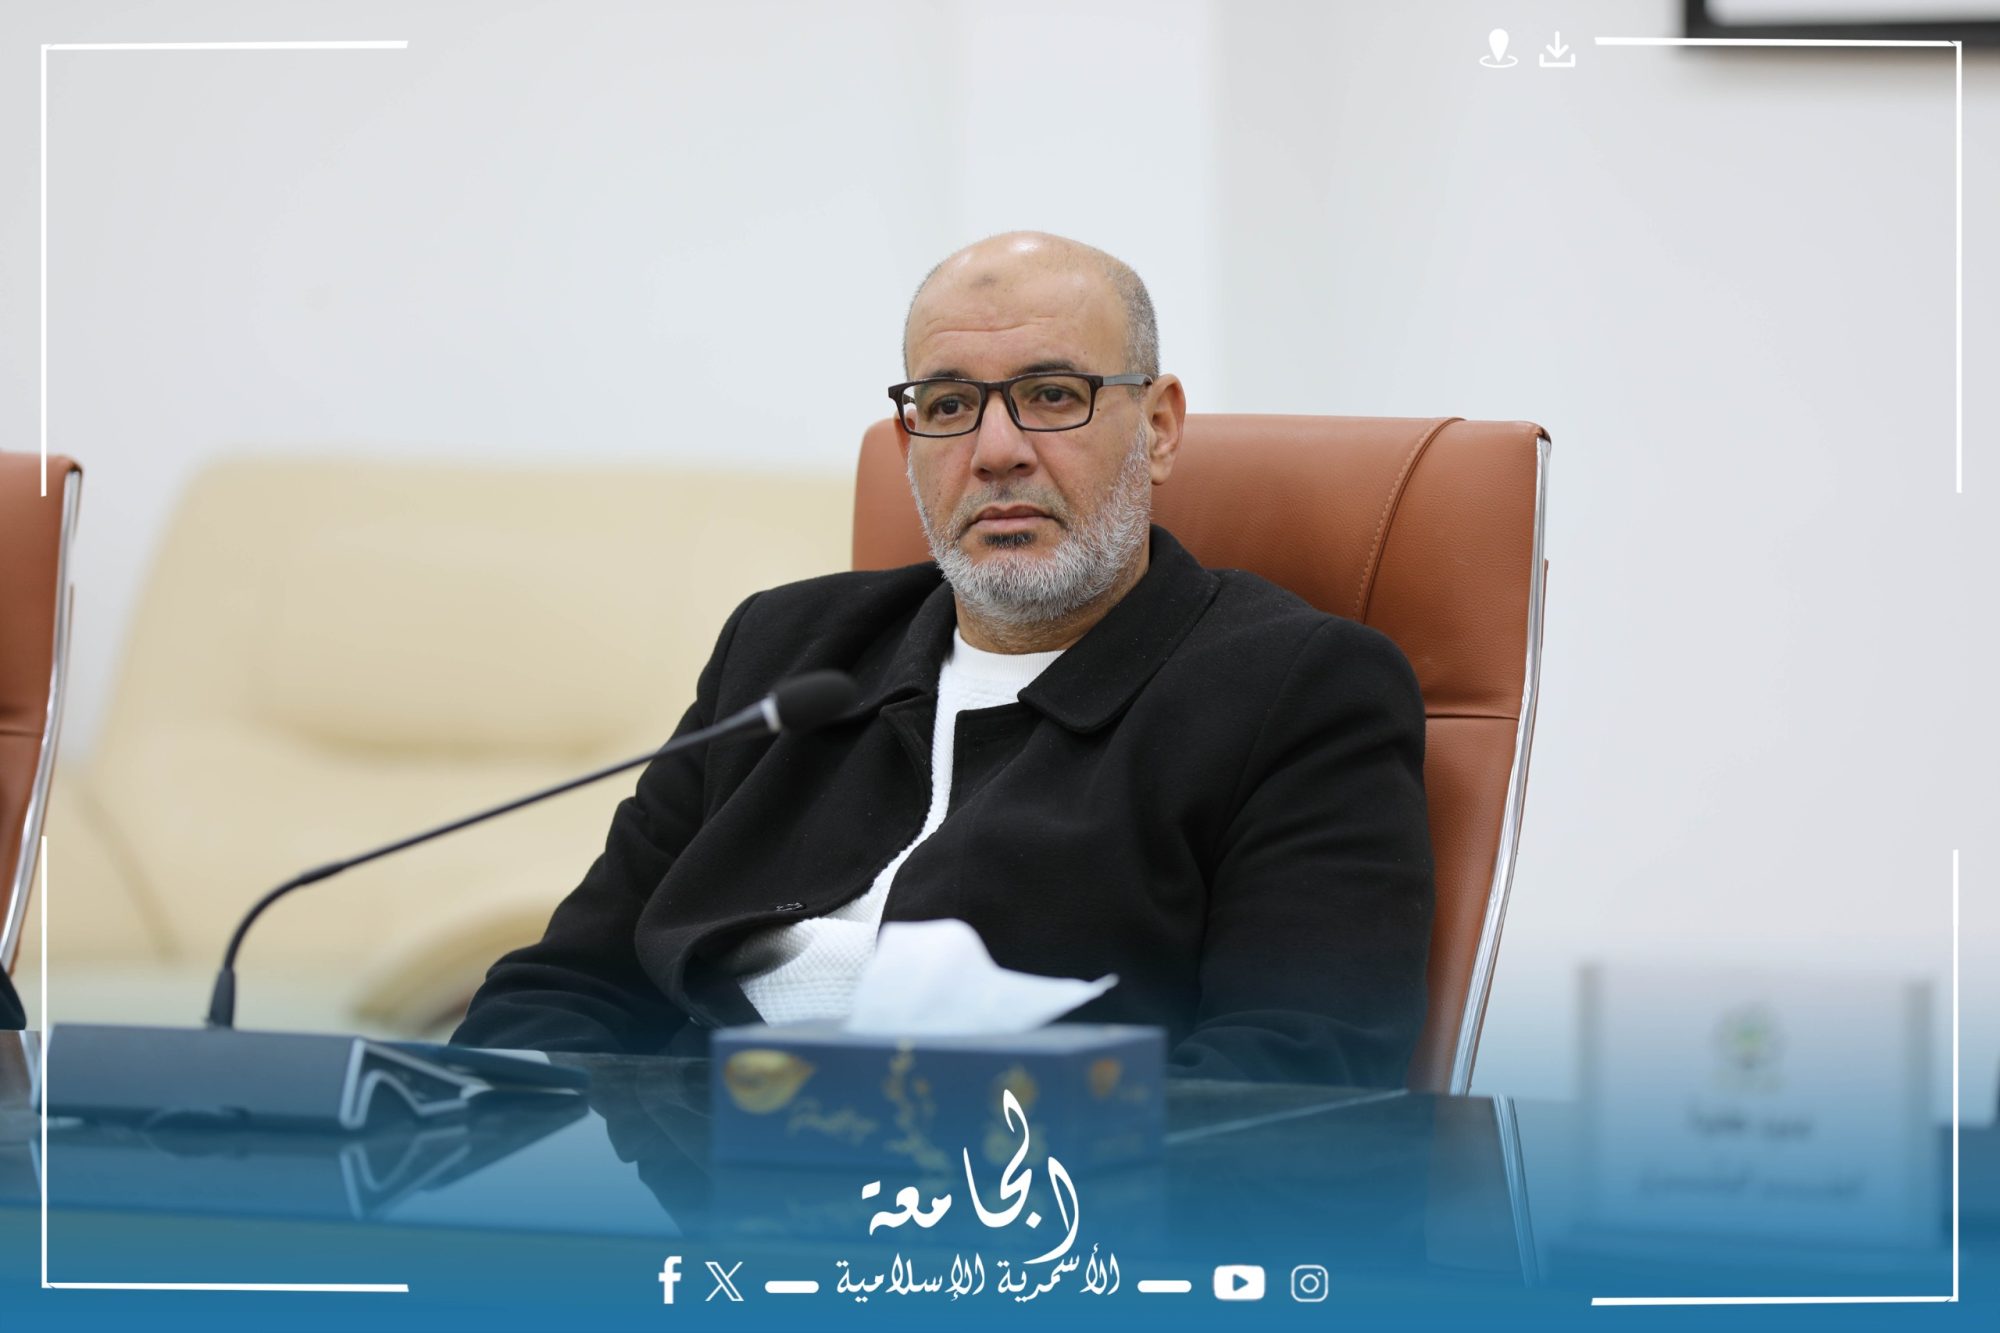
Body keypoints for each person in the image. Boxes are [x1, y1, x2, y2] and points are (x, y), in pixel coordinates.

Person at [454, 232, 1434, 1086]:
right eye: (951, 403)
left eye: (1051, 395)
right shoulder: (785, 654)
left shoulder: (1295, 689)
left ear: (1159, 426)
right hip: (685, 1185)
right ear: (908, 440)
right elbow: (567, 987)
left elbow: (1291, 1076)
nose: (996, 450)